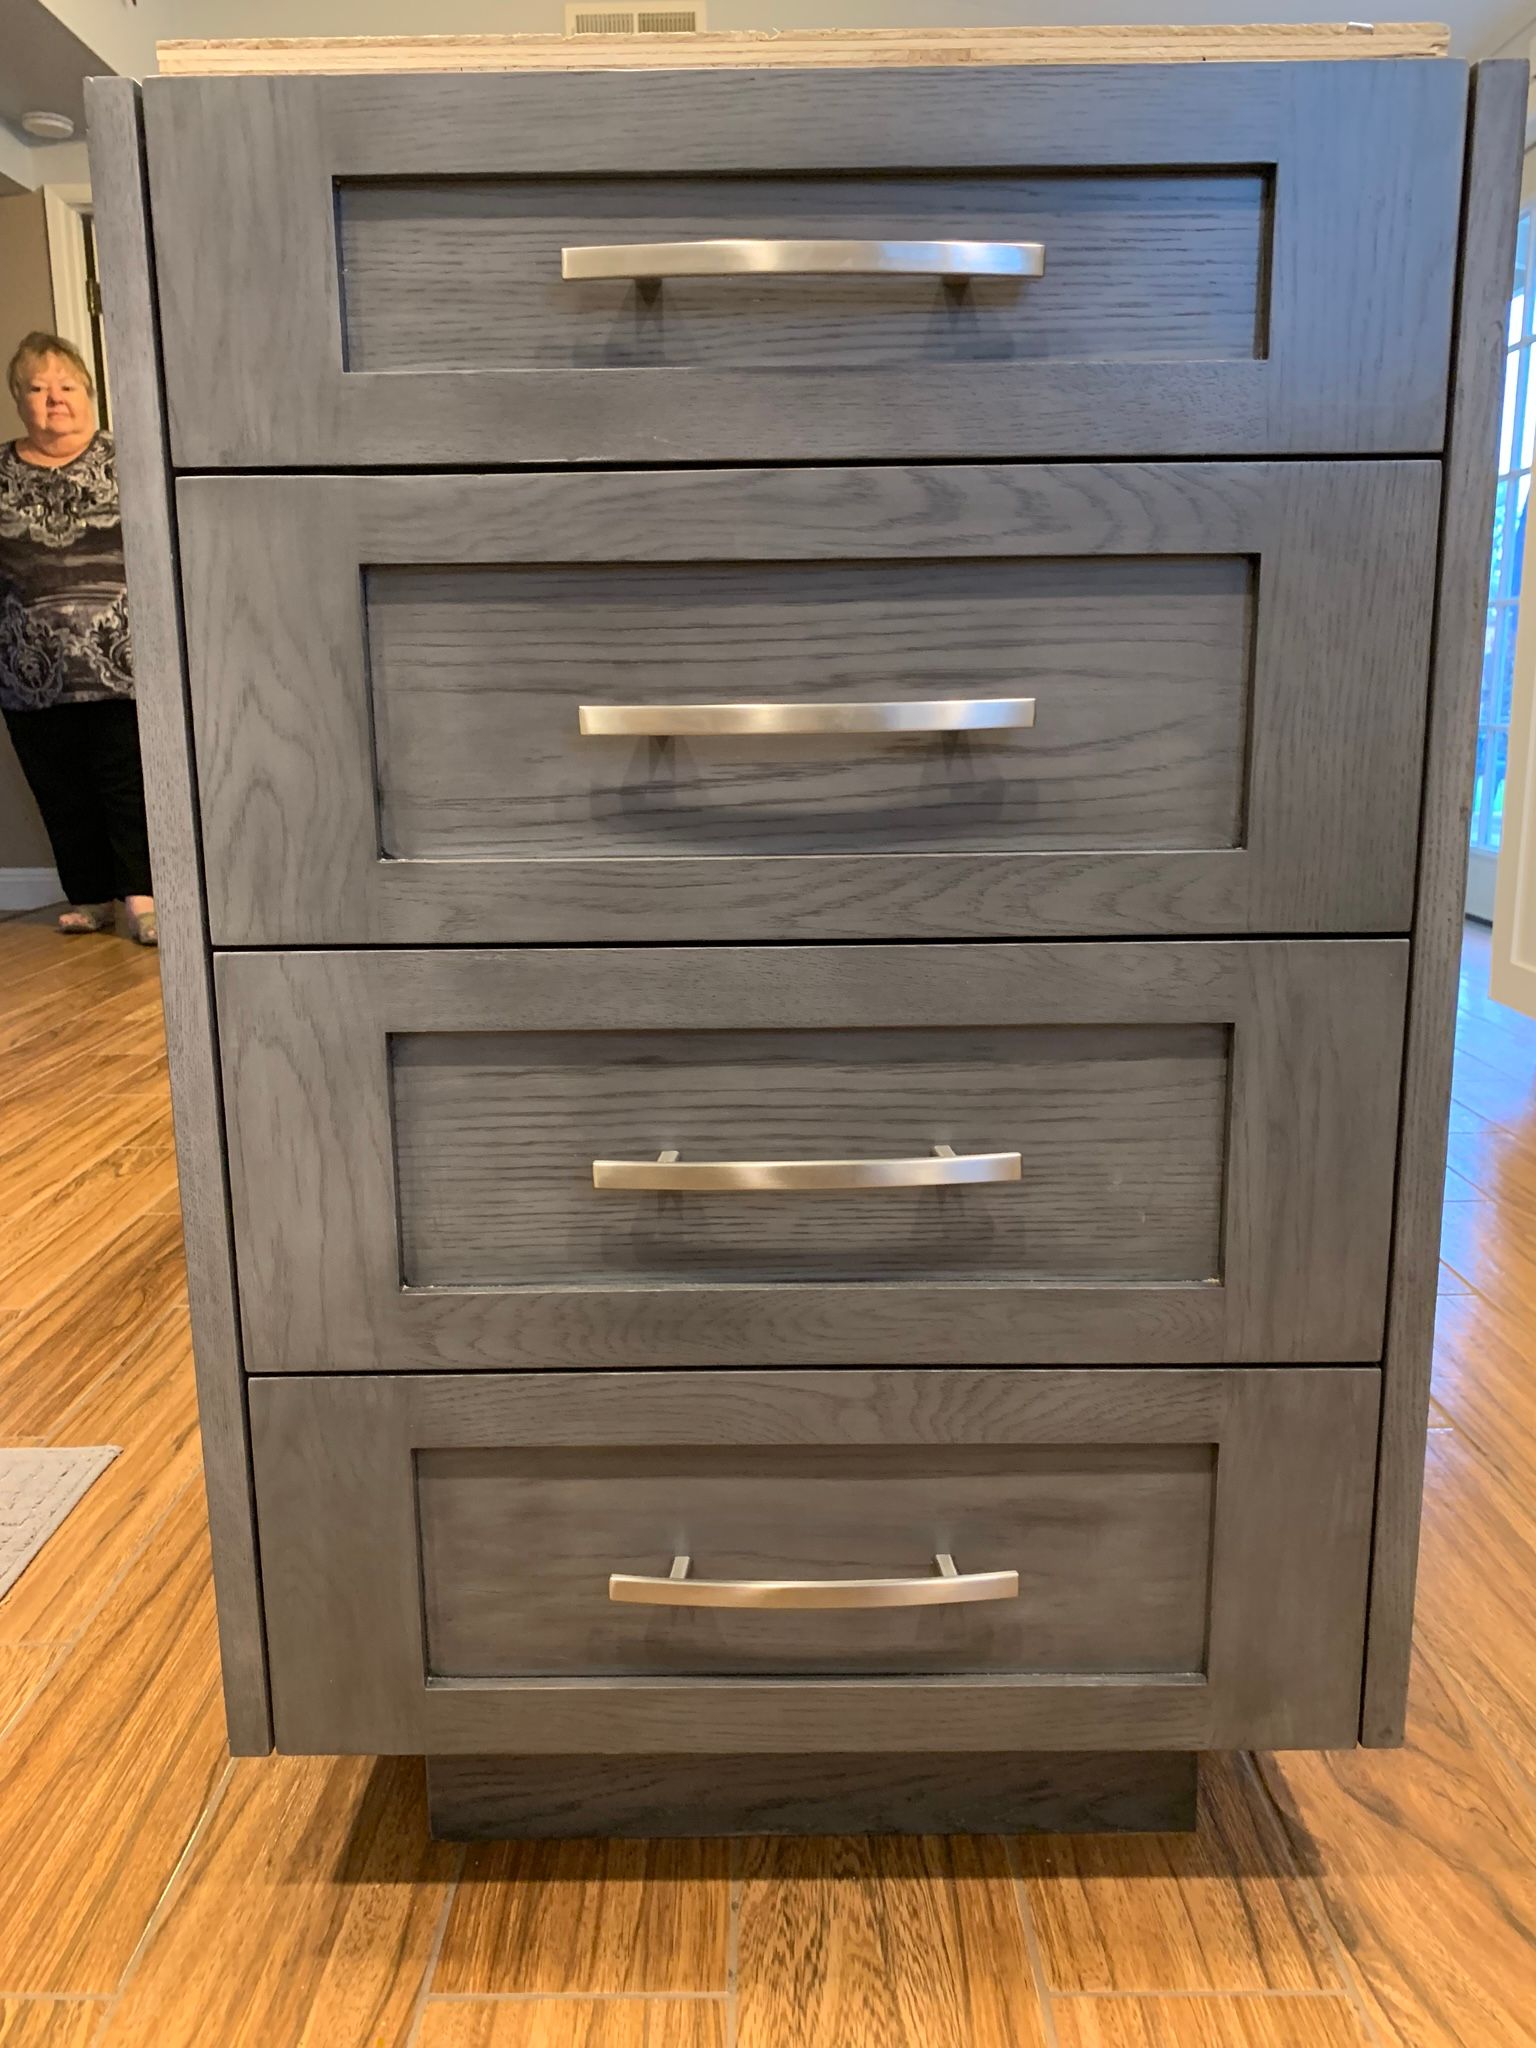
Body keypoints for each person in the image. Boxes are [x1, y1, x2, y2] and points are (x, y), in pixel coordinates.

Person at [0, 331, 155, 944]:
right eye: (37, 389)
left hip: (126, 664)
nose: (53, 399)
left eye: (66, 386)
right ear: (19, 401)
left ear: (89, 393)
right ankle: (89, 897)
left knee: (130, 786)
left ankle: (143, 899)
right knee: (61, 790)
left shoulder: (130, 461)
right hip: (28, 669)